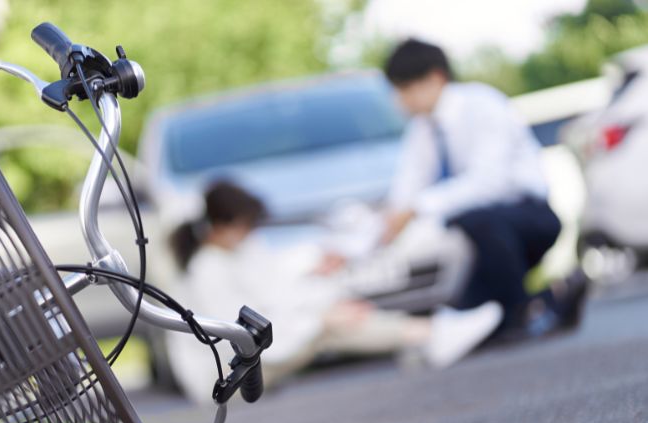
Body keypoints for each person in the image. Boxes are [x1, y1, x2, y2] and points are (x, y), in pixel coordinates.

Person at [165, 181, 502, 404]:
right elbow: (242, 336)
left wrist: (322, 301)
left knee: (332, 316)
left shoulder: (230, 254)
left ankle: (427, 336)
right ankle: (431, 335)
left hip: (243, 363)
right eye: (245, 226)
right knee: (329, 326)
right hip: (222, 378)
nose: (250, 233)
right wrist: (321, 318)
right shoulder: (207, 269)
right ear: (224, 225)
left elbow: (274, 296)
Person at [380, 39, 588, 339]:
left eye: (405, 89)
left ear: (435, 78)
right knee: (470, 312)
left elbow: (490, 185)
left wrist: (417, 208)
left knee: (474, 219)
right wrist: (382, 228)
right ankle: (550, 299)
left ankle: (526, 311)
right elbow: (406, 189)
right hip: (479, 238)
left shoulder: (482, 105)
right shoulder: (422, 130)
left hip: (527, 218)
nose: (401, 101)